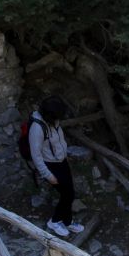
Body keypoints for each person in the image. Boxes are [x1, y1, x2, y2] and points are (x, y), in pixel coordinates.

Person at [29, 96, 83, 238]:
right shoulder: (37, 129)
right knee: (67, 194)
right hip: (51, 165)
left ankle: (67, 221)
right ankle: (54, 221)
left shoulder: (53, 121)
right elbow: (36, 155)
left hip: (61, 161)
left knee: (69, 193)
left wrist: (64, 155)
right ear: (50, 115)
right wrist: (48, 175)